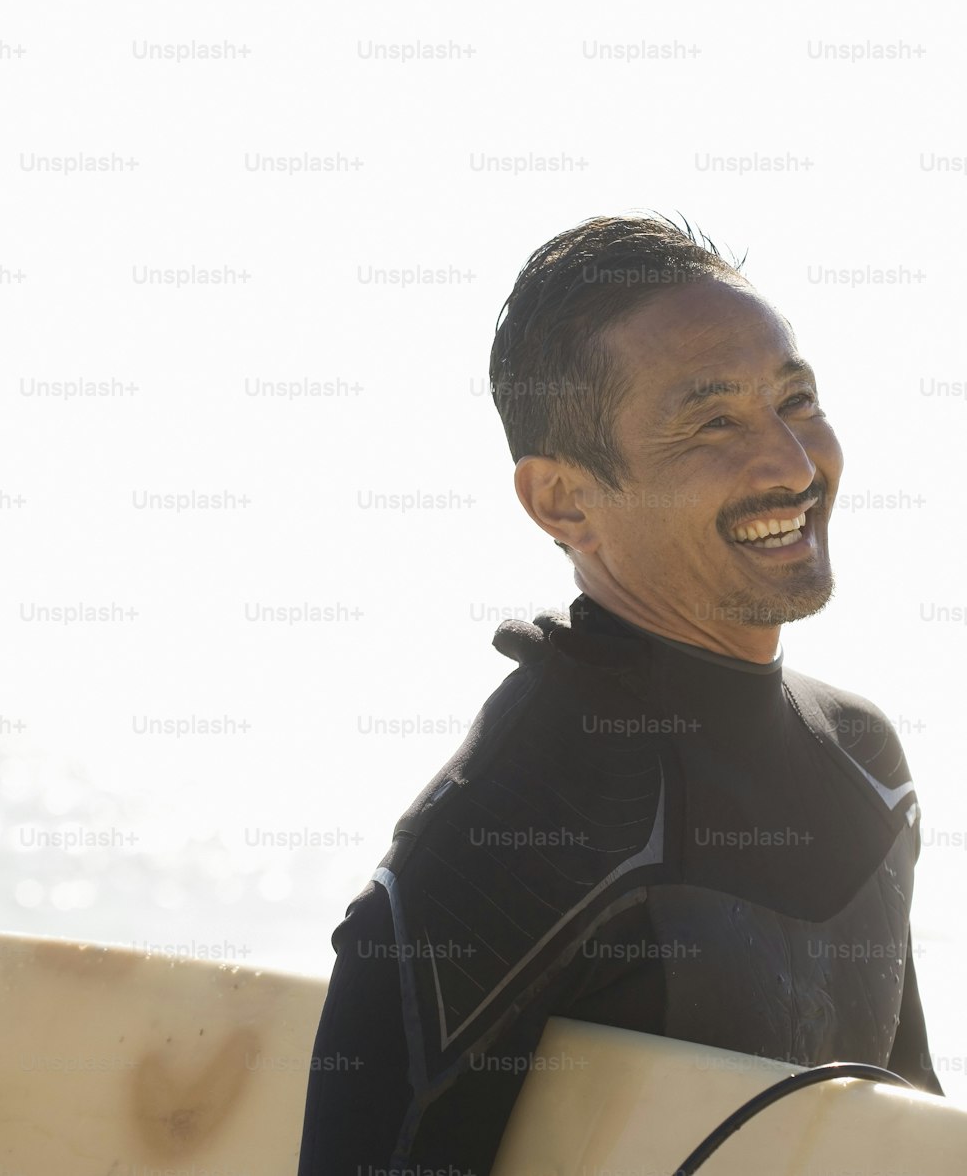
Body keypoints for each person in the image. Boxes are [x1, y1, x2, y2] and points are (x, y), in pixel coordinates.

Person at [297, 213, 942, 1176]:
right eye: (714, 421)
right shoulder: (506, 832)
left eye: (796, 400)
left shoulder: (863, 760)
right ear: (563, 500)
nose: (796, 465)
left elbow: (907, 1131)